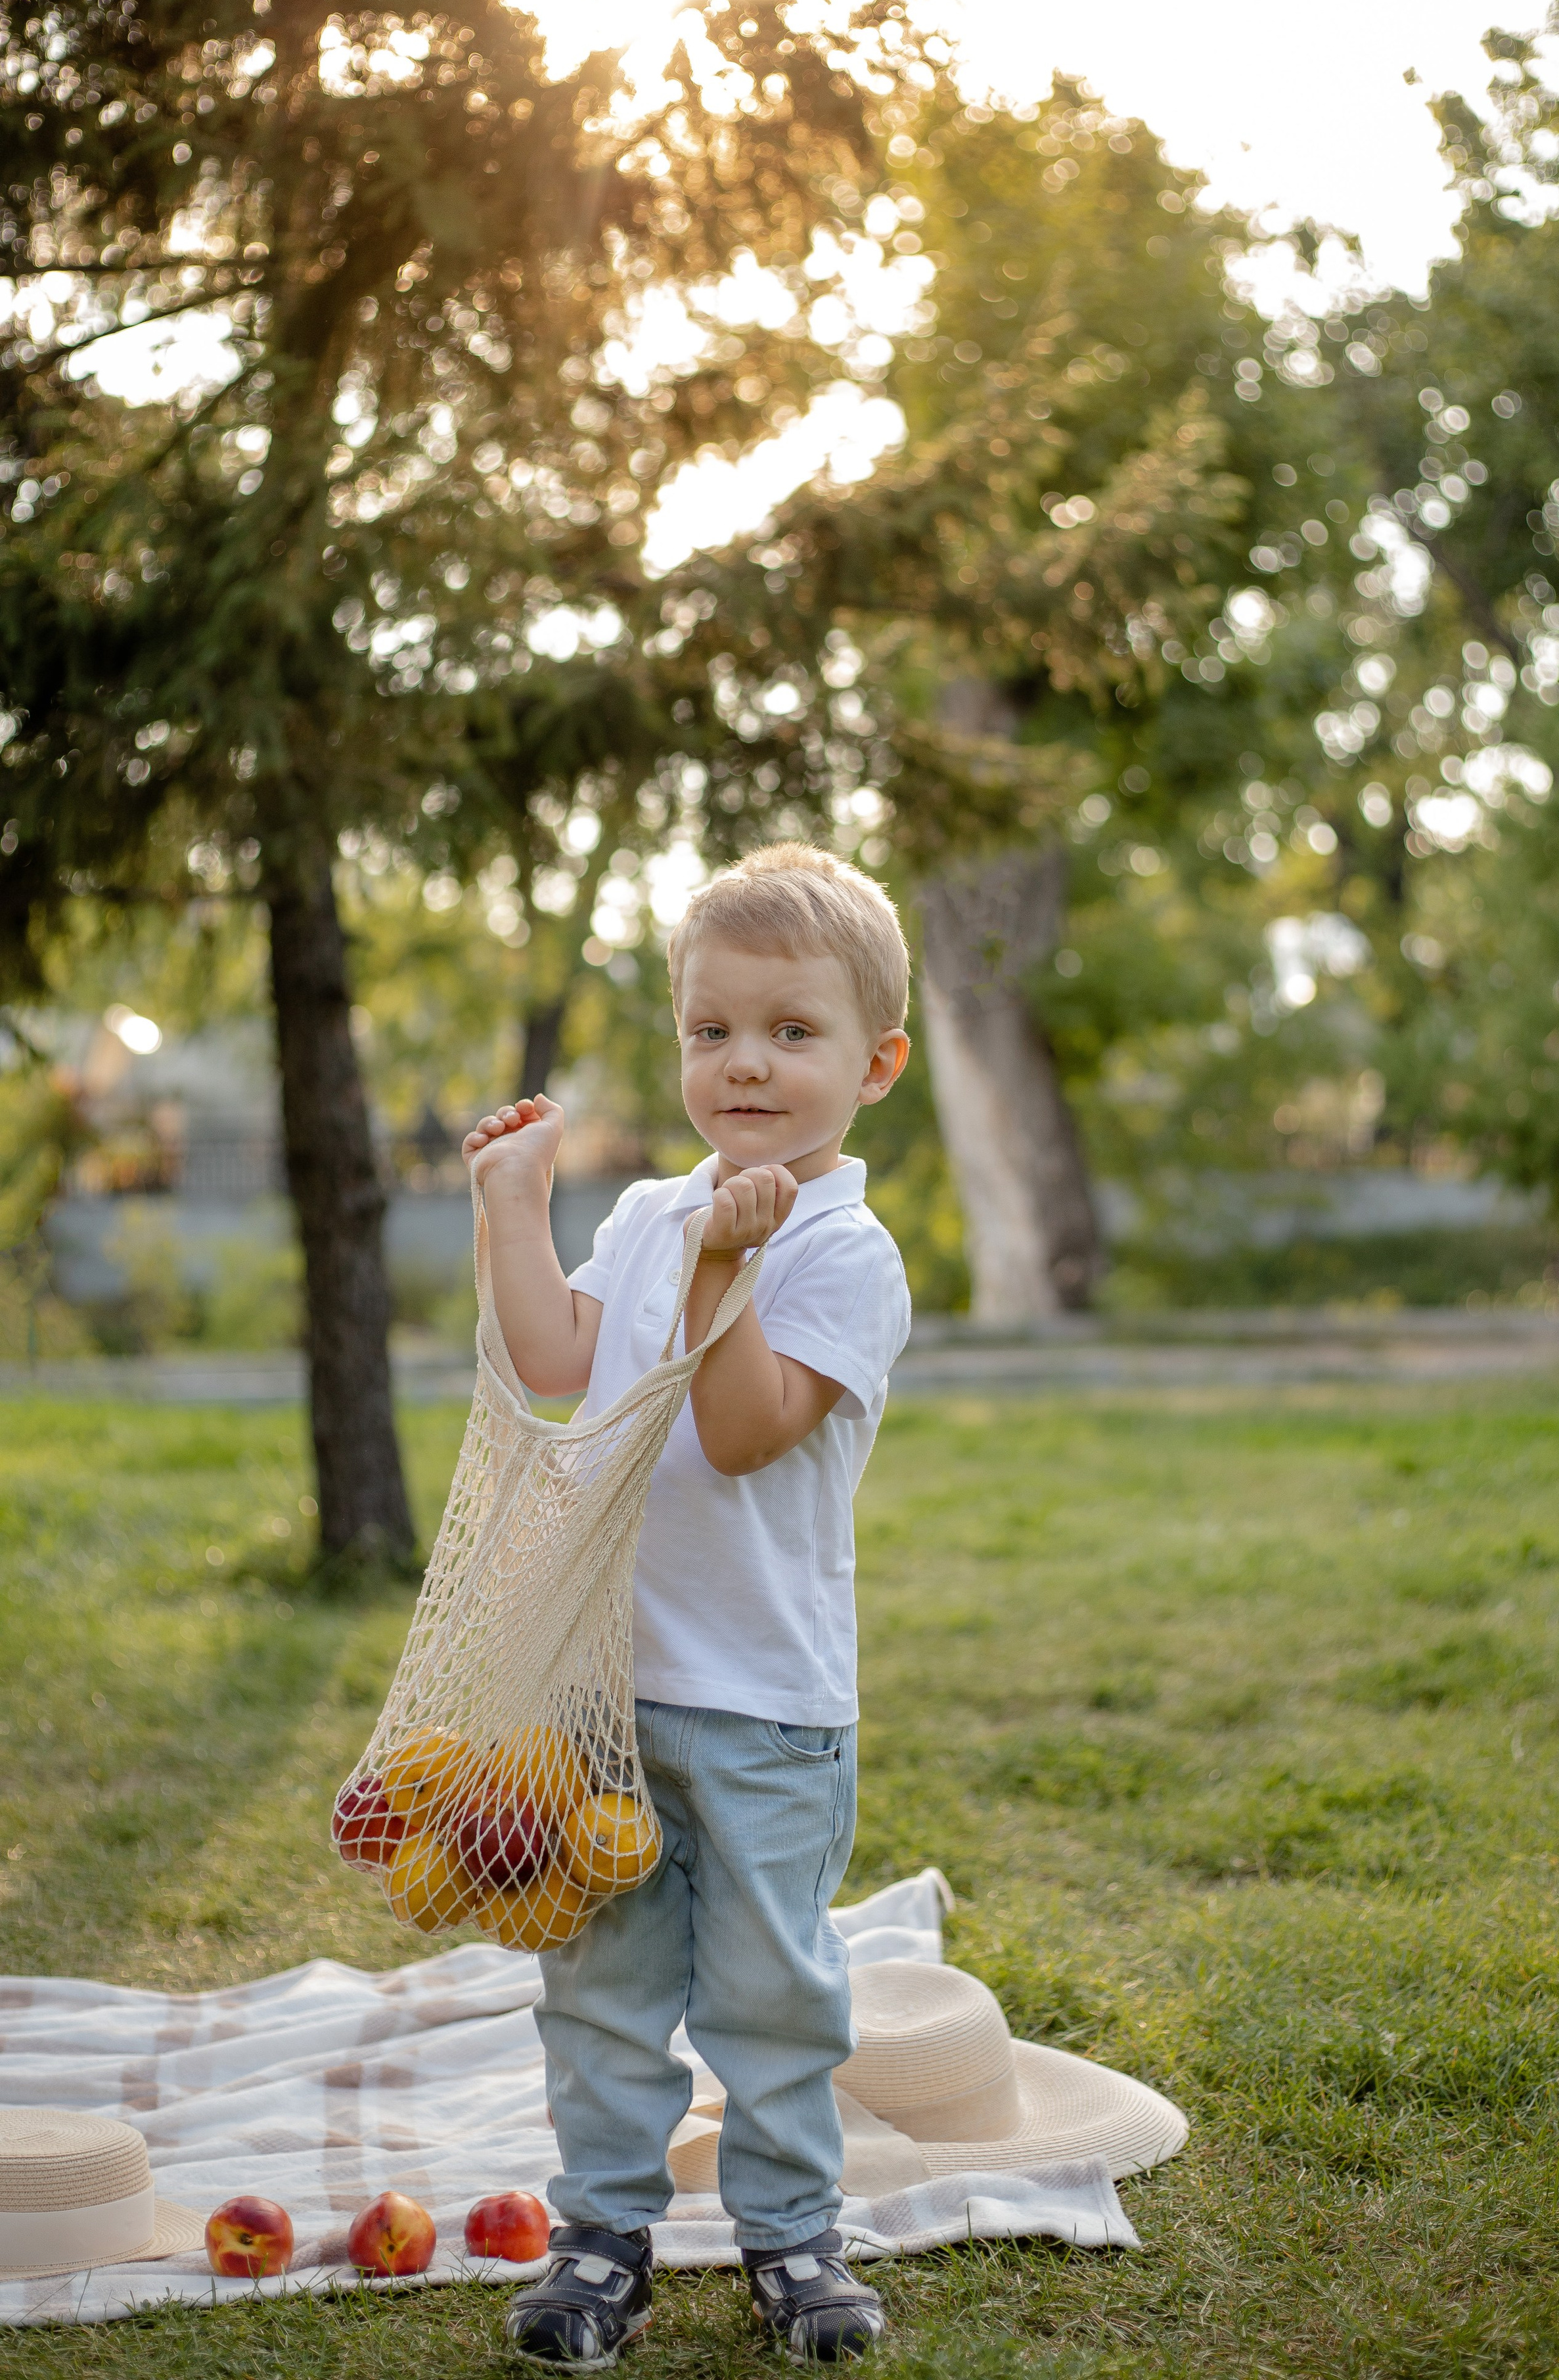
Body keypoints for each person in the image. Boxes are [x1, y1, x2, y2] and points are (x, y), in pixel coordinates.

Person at [460, 843, 913, 2369]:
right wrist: (509, 1203)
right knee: (599, 1974)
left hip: (768, 1702)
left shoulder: (848, 1253)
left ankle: (789, 2233)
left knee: (770, 1982)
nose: (746, 1064)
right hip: (604, 1688)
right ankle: (600, 2230)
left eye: (792, 1032)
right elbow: (553, 1359)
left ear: (875, 1062)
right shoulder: (656, 1211)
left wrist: (735, 1262)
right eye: (712, 1029)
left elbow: (740, 1430)